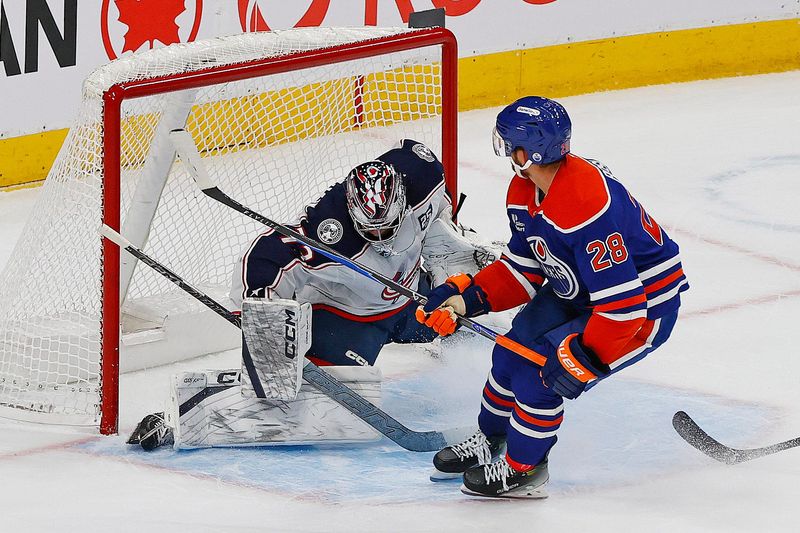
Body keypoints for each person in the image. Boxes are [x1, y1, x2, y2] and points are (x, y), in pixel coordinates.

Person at [128, 139, 499, 451]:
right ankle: (183, 418)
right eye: (372, 231)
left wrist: (453, 256)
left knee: (478, 298)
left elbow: (436, 214)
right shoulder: (328, 231)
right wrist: (261, 316)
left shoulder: (424, 175)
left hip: (412, 295)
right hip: (352, 321)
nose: (381, 239)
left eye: (389, 226)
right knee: (309, 401)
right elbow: (263, 257)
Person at [416, 97, 689, 498]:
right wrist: (464, 300)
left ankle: (526, 470)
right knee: (509, 353)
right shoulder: (526, 190)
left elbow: (624, 306)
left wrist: (586, 356)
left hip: (642, 311)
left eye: (509, 142)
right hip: (580, 290)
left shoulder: (583, 204)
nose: (505, 150)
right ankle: (493, 439)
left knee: (540, 376)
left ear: (528, 152)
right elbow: (523, 269)